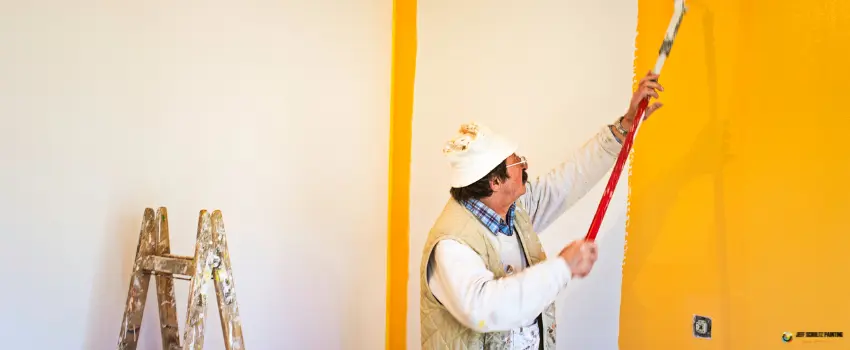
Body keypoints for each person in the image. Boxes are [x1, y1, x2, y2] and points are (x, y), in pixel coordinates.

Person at [419, 71, 665, 349]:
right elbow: (485, 308)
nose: (525, 165)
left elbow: (570, 178)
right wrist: (562, 267)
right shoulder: (452, 244)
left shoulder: (514, 211)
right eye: (517, 162)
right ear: (495, 181)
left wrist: (625, 126)